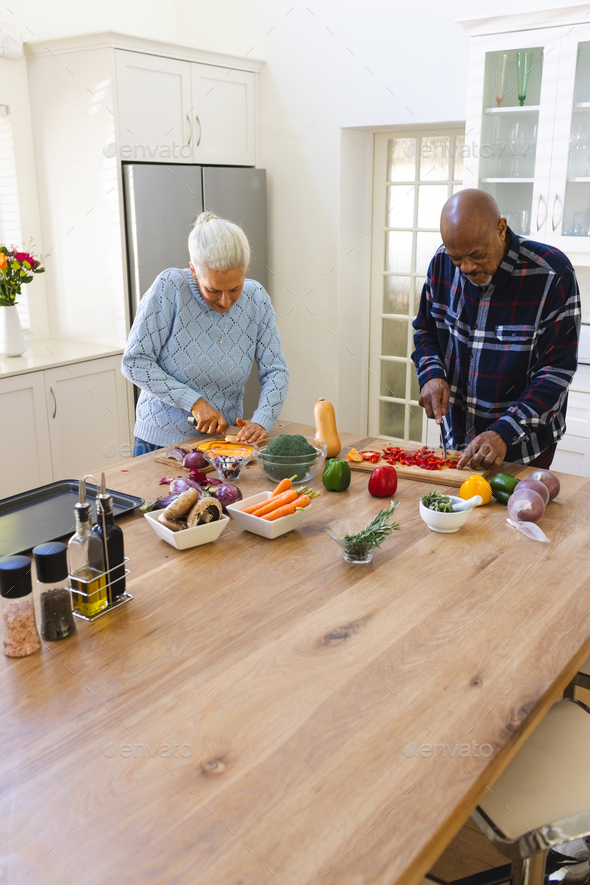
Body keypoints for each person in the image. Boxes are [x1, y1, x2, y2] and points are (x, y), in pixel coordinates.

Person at [412, 189, 580, 471]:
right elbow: (425, 329)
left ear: (501, 229)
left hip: (524, 447)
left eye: (476, 255)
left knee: (516, 515)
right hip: (457, 443)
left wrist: (504, 432)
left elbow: (555, 372)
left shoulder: (552, 274)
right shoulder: (441, 263)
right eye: (457, 258)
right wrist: (431, 374)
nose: (466, 267)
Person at [122, 212, 289, 455]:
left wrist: (262, 419)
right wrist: (194, 403)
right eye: (213, 290)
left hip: (224, 442)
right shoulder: (169, 287)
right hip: (159, 443)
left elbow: (276, 370)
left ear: (245, 273)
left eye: (235, 288)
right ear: (193, 271)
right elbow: (134, 362)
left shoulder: (256, 298)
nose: (225, 301)